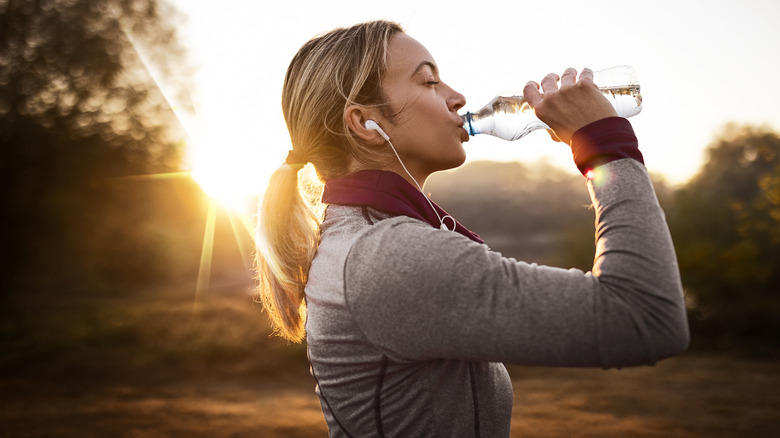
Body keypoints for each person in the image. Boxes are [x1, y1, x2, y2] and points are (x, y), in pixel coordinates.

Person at [255, 20, 689, 438]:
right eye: (428, 82)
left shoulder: (367, 237)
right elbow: (644, 316)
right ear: (366, 124)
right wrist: (604, 142)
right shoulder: (387, 255)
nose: (457, 97)